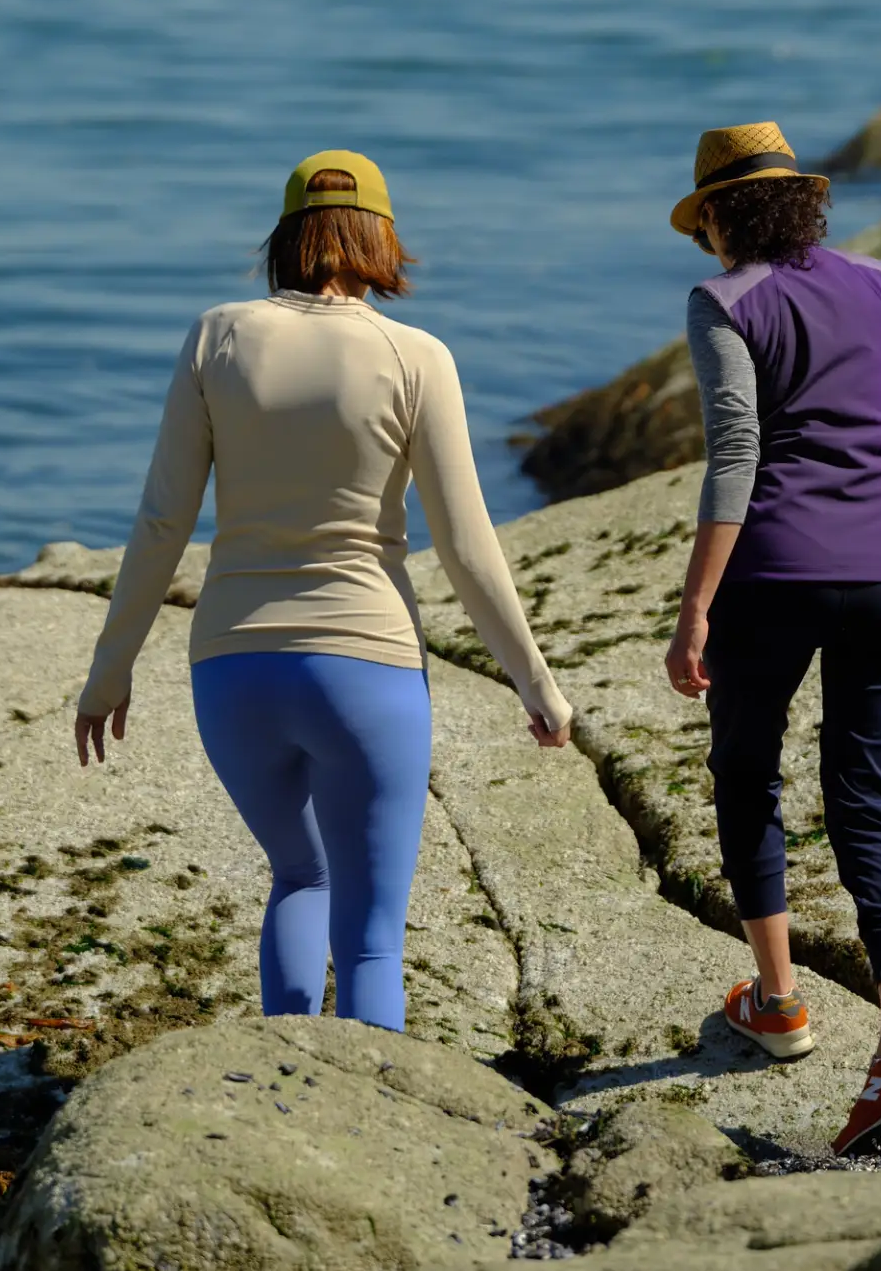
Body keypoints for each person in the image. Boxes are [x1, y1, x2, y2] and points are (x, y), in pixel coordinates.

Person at [75, 150, 570, 1031]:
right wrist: (535, 682)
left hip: (232, 670)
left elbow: (161, 523)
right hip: (366, 671)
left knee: (298, 876)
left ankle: (284, 1089)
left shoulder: (216, 336)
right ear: (380, 239)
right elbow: (464, 544)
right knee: (374, 940)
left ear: (288, 236)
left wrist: (110, 671)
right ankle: (372, 1121)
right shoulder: (416, 355)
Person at [660, 121, 881, 1159]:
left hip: (776, 573)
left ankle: (781, 1003)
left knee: (748, 776)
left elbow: (738, 447)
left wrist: (696, 602)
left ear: (717, 221)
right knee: (868, 806)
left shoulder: (724, 301)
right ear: (806, 206)